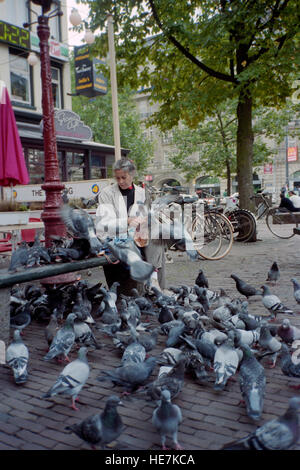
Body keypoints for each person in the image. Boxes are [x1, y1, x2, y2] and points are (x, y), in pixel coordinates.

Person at [95, 158, 166, 297]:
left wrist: (144, 223)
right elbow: (104, 225)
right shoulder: (106, 194)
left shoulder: (143, 192)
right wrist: (127, 221)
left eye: (124, 177)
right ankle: (153, 282)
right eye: (117, 178)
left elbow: (146, 215)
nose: (120, 181)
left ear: (132, 175)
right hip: (115, 236)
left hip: (137, 234)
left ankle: (152, 280)